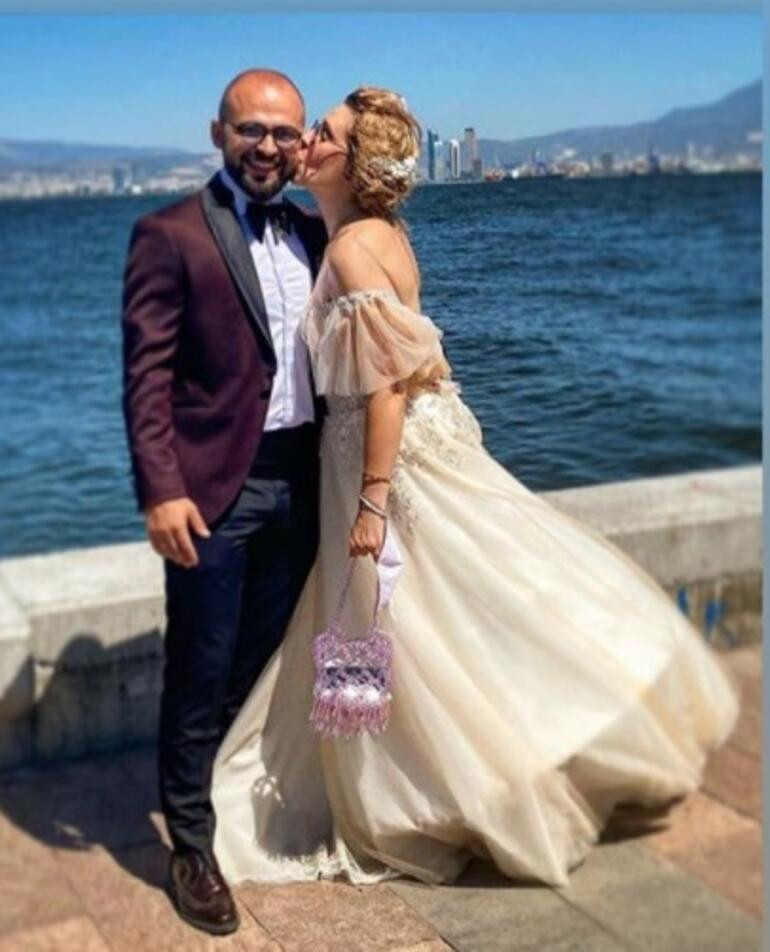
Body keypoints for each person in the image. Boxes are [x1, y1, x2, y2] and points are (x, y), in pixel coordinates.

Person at [210, 86, 740, 890]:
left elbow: (387, 388)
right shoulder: (383, 234)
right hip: (403, 450)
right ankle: (443, 778)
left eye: (324, 133)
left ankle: (410, 799)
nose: (306, 140)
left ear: (353, 163)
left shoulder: (352, 248)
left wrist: (371, 501)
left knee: (388, 622)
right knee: (437, 619)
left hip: (381, 465)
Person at [121, 68, 327, 935]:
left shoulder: (316, 228)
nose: (267, 147)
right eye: (251, 130)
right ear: (218, 134)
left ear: (302, 140)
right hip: (213, 491)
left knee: (268, 662)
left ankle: (239, 805)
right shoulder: (168, 234)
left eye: (283, 132)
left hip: (306, 479)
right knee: (200, 669)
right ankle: (192, 847)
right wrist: (161, 489)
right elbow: (146, 379)